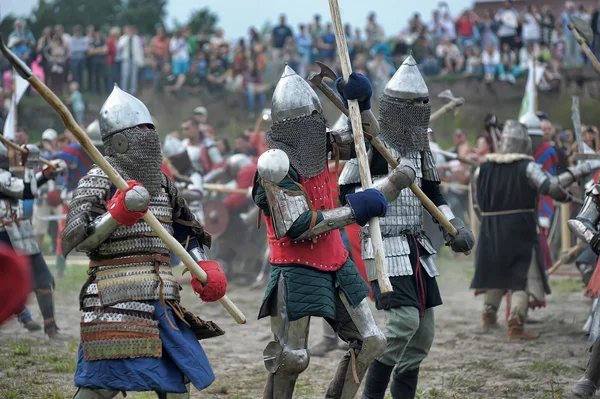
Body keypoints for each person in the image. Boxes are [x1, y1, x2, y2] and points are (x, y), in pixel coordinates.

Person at [253, 65, 409, 399]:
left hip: (336, 259)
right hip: (294, 266)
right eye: (305, 119)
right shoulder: (274, 164)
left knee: (372, 341)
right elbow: (297, 226)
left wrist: (363, 104)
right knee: (291, 358)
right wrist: (356, 209)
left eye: (314, 117)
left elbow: (366, 140)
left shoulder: (320, 143)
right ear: (287, 125)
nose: (313, 125)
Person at [62, 85, 227, 398]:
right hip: (115, 293)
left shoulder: (163, 183)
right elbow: (76, 238)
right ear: (121, 139)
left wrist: (201, 263)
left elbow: (186, 229)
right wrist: (117, 214)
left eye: (150, 130)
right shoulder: (99, 179)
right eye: (141, 131)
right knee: (99, 387)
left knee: (179, 384)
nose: (149, 136)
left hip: (164, 295)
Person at [337, 56, 474, 399]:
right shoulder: (371, 140)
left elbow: (433, 192)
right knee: (403, 325)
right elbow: (348, 191)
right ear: (398, 107)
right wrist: (391, 185)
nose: (420, 110)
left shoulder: (420, 144)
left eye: (423, 105)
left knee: (422, 336)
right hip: (384, 244)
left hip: (417, 246)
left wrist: (452, 224)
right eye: (414, 104)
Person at [472, 120, 592, 341]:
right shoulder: (528, 167)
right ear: (525, 144)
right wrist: (577, 173)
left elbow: (477, 204)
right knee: (521, 275)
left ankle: (489, 314)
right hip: (520, 228)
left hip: (491, 228)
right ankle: (516, 322)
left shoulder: (482, 168)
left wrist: (488, 223)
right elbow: (551, 186)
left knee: (497, 271)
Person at [0, 138, 66, 338]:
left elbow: (24, 186)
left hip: (19, 233)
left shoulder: (5, 177)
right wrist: (30, 164)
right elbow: (27, 191)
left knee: (43, 280)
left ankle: (50, 326)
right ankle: (25, 316)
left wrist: (47, 174)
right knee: (7, 281)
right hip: (4, 236)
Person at [118, 25, 144, 94]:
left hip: (135, 59)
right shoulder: (123, 38)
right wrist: (127, 38)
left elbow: (140, 50)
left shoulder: (137, 38)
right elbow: (120, 46)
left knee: (134, 76)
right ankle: (124, 91)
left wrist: (141, 60)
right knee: (125, 75)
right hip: (126, 59)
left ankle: (133, 91)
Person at [561, 1, 583, 67]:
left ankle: (577, 63)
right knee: (568, 49)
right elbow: (561, 24)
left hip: (576, 35)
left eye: (571, 7)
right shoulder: (564, 15)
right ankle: (567, 63)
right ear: (567, 7)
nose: (570, 8)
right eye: (569, 7)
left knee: (577, 49)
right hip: (568, 35)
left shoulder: (577, 14)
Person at [87, 30, 108, 95]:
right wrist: (100, 49)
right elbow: (90, 52)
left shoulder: (103, 42)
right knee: (96, 76)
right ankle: (97, 91)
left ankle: (106, 90)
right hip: (94, 62)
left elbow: (105, 51)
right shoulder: (92, 42)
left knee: (104, 75)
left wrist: (95, 50)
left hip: (102, 62)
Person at [69, 25, 88, 90]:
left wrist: (78, 49)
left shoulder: (84, 39)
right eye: (76, 31)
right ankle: (75, 89)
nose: (78, 33)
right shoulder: (72, 39)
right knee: (75, 74)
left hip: (81, 59)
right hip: (74, 59)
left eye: (79, 31)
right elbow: (73, 49)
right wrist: (80, 49)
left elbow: (85, 48)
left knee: (81, 74)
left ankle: (81, 89)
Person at [106, 27, 121, 91]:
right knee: (112, 76)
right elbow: (109, 50)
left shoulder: (121, 40)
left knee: (118, 76)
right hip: (113, 61)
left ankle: (118, 90)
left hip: (120, 60)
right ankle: (111, 90)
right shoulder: (110, 41)